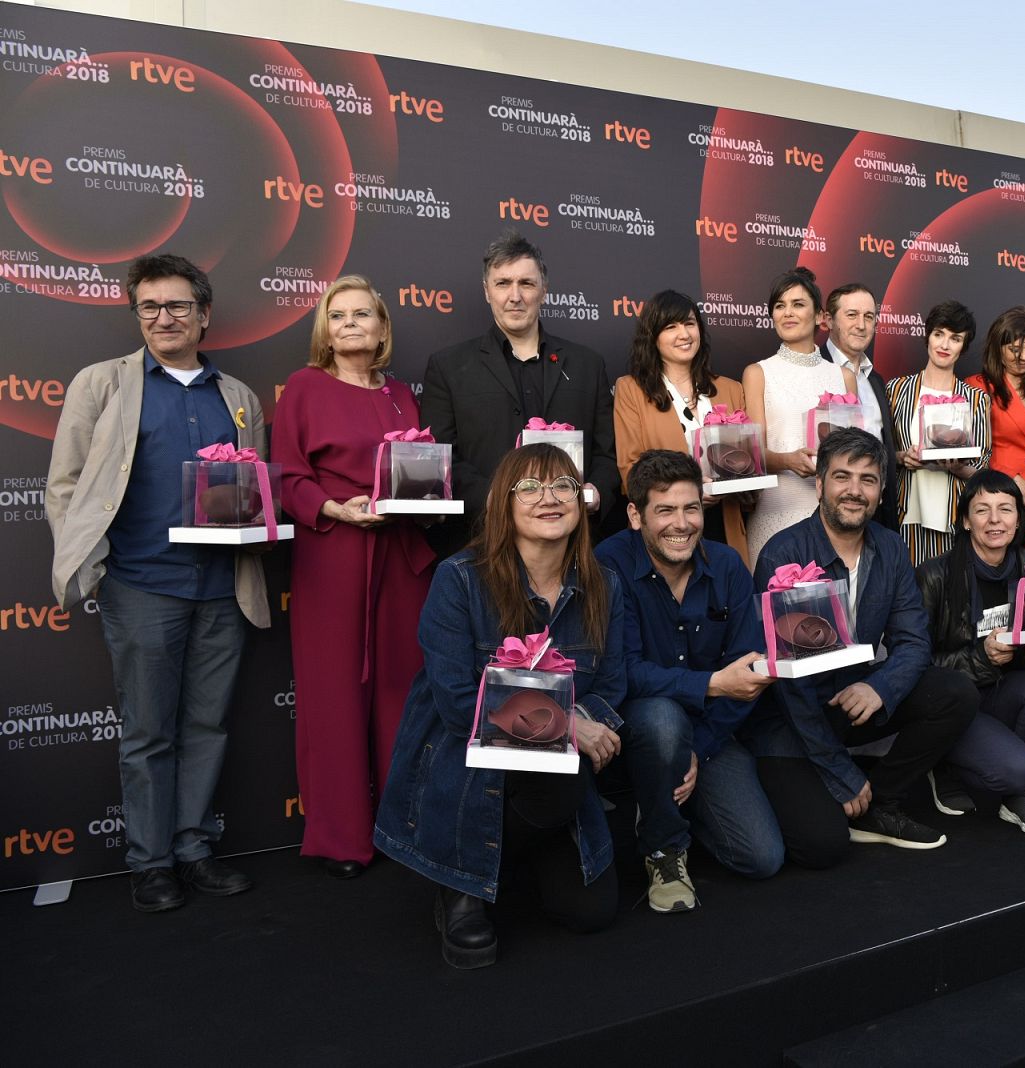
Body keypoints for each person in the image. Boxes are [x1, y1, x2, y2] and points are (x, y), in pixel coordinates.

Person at [47, 253, 264, 912]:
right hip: (140, 586)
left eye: (176, 306)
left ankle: (194, 848)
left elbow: (253, 492)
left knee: (207, 725)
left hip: (223, 588)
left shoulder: (240, 397)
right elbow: (64, 485)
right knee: (148, 732)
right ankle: (150, 862)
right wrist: (93, 567)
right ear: (138, 314)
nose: (163, 318)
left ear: (203, 315)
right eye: (150, 307)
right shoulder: (100, 384)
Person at [374, 445, 627, 969]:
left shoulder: (605, 583)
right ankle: (459, 880)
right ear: (502, 505)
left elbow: (613, 684)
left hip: (550, 776)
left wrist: (582, 721)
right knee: (563, 764)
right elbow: (455, 701)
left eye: (562, 486)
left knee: (591, 913)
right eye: (529, 488)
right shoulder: (459, 578)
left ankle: (508, 852)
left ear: (581, 502)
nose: (548, 499)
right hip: (470, 757)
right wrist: (566, 725)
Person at [745, 428, 976, 862]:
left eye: (867, 480)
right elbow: (787, 686)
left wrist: (881, 688)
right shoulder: (782, 554)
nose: (854, 491)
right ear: (819, 484)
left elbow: (913, 643)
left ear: (881, 489)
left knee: (954, 692)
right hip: (792, 719)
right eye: (842, 477)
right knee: (822, 846)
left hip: (854, 700)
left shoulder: (889, 547)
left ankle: (880, 802)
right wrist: (838, 770)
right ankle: (837, 786)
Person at [273, 276, 436, 878]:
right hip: (333, 552)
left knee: (404, 688)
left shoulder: (400, 394)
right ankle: (342, 838)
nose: (349, 324)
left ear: (382, 325)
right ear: (325, 329)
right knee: (334, 695)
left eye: (362, 314)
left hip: (401, 557)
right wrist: (335, 509)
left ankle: (404, 828)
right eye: (337, 315)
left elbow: (420, 471)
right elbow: (287, 475)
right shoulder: (304, 388)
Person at [595, 451, 782, 911]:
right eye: (665, 510)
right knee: (661, 719)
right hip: (638, 726)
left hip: (709, 732)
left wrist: (697, 747)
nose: (681, 524)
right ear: (636, 515)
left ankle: (662, 798)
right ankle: (664, 847)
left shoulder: (727, 565)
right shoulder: (608, 564)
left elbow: (749, 670)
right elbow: (621, 674)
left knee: (762, 858)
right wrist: (711, 684)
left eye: (691, 508)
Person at [419, 230, 618, 554]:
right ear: (487, 291)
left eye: (526, 283)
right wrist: (495, 498)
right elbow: (441, 457)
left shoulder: (587, 365)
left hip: (573, 546)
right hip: (484, 545)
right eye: (503, 283)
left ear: (544, 289)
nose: (515, 296)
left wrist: (595, 491)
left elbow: (607, 453)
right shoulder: (448, 367)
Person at [915, 470, 1025, 834]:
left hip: (999, 694)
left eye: (1006, 508)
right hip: (949, 704)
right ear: (966, 520)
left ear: (1019, 518)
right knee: (1010, 768)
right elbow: (914, 666)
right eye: (982, 510)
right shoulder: (933, 575)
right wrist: (981, 658)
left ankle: (1019, 795)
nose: (995, 520)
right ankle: (940, 760)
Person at [612, 289, 753, 564]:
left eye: (689, 324)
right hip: (666, 528)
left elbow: (749, 465)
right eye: (671, 327)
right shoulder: (631, 390)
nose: (684, 334)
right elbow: (631, 469)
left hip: (723, 526)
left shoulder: (731, 389)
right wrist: (694, 490)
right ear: (653, 336)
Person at [743, 265, 856, 561]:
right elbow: (753, 454)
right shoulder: (758, 373)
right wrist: (787, 460)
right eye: (780, 306)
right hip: (776, 510)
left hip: (835, 514)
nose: (787, 313)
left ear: (820, 317)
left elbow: (856, 449)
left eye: (798, 304)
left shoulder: (843, 377)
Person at [885, 299, 992, 565]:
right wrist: (901, 458)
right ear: (928, 336)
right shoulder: (896, 390)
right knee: (909, 595)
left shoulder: (976, 400)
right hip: (905, 514)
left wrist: (957, 467)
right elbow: (881, 451)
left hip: (956, 517)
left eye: (955, 338)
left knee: (953, 597)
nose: (944, 345)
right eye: (938, 334)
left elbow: (982, 467)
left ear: (963, 346)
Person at [965, 306, 1025, 564]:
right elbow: (972, 449)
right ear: (998, 347)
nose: (1023, 357)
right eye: (1014, 350)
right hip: (999, 505)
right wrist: (1009, 477)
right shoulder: (977, 386)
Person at [822, 282, 899, 528]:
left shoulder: (875, 379)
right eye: (852, 315)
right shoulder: (815, 370)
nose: (861, 325)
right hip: (831, 510)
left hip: (875, 509)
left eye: (869, 316)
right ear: (829, 320)